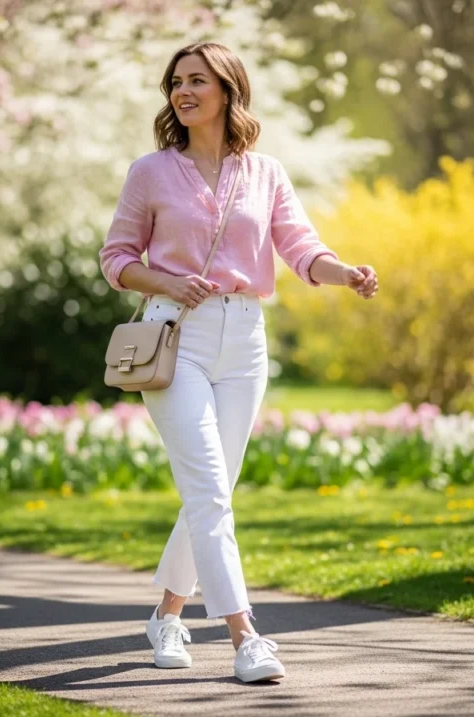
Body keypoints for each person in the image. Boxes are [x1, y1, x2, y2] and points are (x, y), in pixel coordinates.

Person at [98, 42, 377, 683]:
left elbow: (301, 248)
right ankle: (246, 637)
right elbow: (116, 259)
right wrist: (166, 283)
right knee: (208, 492)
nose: (183, 91)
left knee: (213, 493)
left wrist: (346, 274)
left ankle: (167, 615)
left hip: (246, 342)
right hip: (176, 341)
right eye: (176, 82)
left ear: (228, 90)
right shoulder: (150, 171)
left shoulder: (265, 172)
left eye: (198, 80)